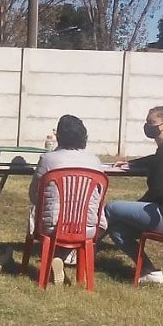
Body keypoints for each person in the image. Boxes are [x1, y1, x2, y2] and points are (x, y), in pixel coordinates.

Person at [105, 103, 163, 285]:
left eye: (152, 123)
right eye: (146, 122)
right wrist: (131, 163)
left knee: (111, 208)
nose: (148, 126)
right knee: (118, 229)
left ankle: (80, 249)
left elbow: (157, 190)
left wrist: (139, 204)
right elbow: (154, 160)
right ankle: (149, 271)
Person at [28, 114, 106, 285]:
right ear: (84, 136)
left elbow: (34, 194)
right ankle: (64, 260)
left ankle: (56, 257)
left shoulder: (47, 159)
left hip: (52, 226)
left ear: (59, 136)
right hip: (88, 227)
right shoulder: (95, 161)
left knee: (38, 212)